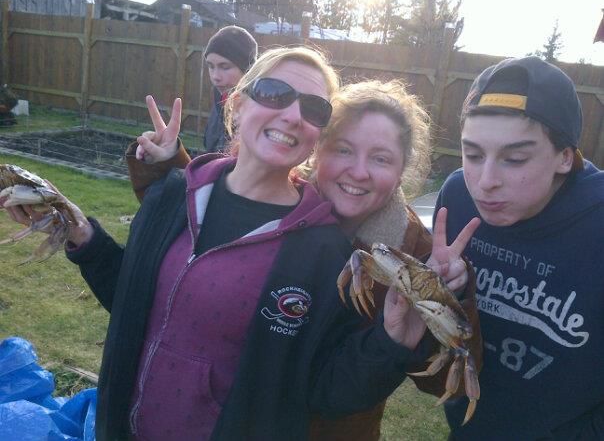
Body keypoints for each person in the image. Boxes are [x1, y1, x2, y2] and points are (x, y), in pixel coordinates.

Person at [5, 46, 439, 441]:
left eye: (312, 107)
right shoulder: (172, 195)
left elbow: (326, 390)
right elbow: (135, 305)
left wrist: (392, 340)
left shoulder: (323, 252)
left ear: (316, 136)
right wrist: (83, 236)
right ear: (237, 102)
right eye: (274, 93)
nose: (292, 114)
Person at [131, 79, 483, 441]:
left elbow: (447, 380)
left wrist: (451, 297)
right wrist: (167, 166)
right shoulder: (279, 204)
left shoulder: (416, 251)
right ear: (318, 150)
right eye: (343, 150)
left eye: (381, 159)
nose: (359, 171)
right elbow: (205, 221)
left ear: (401, 171)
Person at [436, 55, 604, 439]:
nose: (485, 181)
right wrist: (445, 289)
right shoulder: (457, 197)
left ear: (565, 157)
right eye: (472, 154)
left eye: (514, 159)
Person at [202, 25, 257, 153]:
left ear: (247, 69)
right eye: (211, 66)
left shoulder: (257, 113)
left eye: (225, 67)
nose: (215, 76)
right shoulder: (220, 100)